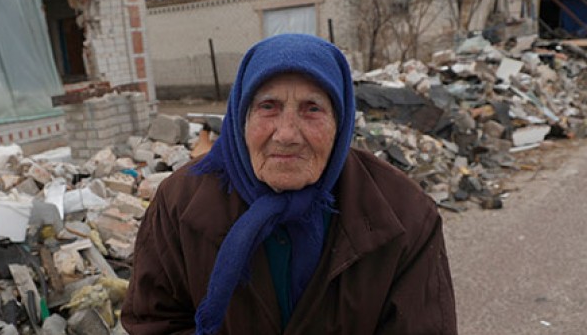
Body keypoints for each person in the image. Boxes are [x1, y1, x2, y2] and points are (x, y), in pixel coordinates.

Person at [122, 34, 456, 334]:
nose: (286, 134)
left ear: (340, 123)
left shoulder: (405, 214)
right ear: (242, 116)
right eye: (268, 107)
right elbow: (153, 323)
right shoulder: (179, 202)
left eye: (312, 109)